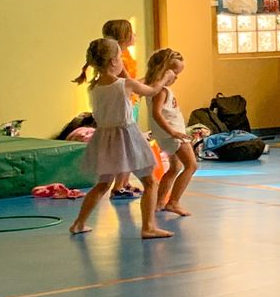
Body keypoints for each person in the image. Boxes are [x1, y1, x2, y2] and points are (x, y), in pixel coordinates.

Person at [69, 38, 170, 238]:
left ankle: (79, 223)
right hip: (126, 136)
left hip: (104, 138)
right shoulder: (125, 85)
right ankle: (148, 226)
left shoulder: (94, 87)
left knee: (103, 184)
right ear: (114, 62)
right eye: (120, 58)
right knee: (150, 181)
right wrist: (165, 77)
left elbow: (131, 85)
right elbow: (152, 90)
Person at [144, 47, 195, 218]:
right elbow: (156, 114)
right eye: (175, 73)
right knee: (191, 165)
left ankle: (160, 202)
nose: (176, 77)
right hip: (173, 136)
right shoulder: (161, 91)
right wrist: (173, 132)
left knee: (175, 167)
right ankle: (173, 202)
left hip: (168, 135)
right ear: (164, 71)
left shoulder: (153, 89)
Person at [101, 18, 143, 198]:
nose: (135, 35)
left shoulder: (126, 55)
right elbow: (127, 81)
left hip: (130, 102)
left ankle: (124, 182)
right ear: (124, 36)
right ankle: (118, 186)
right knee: (127, 146)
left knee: (129, 143)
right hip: (124, 105)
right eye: (131, 32)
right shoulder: (119, 58)